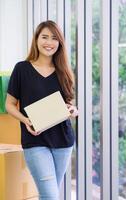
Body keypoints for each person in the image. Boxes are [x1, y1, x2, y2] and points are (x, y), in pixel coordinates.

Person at [5, 20, 78, 200]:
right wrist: (26, 120)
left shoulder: (64, 71)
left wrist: (73, 110)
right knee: (50, 195)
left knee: (49, 194)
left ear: (59, 43)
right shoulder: (22, 68)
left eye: (54, 38)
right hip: (35, 139)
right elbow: (9, 104)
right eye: (44, 37)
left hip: (63, 141)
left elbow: (69, 104)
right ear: (36, 39)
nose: (49, 42)